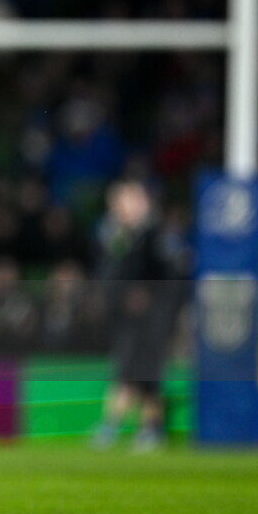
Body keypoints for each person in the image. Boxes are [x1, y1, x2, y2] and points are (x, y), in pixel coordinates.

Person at [91, 179, 177, 451]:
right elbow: (107, 272)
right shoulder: (117, 236)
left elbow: (169, 274)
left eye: (127, 201)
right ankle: (131, 427)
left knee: (144, 372)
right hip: (126, 316)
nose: (121, 208)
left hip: (154, 315)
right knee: (130, 370)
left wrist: (148, 295)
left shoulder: (155, 235)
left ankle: (142, 428)